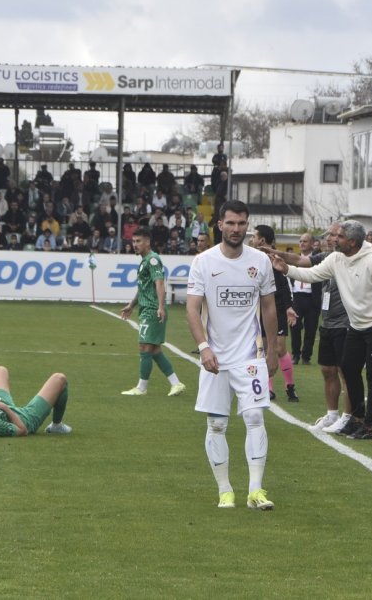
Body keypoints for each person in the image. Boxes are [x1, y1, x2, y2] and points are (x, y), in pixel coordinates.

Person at [270, 220, 372, 440]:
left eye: (339, 236)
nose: (334, 239)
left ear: (352, 241)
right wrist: (286, 269)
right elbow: (313, 274)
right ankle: (356, 419)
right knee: (349, 370)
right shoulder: (336, 258)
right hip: (356, 325)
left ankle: (370, 425)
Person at [186, 200, 278, 510]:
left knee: (255, 416)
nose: (237, 229)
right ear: (220, 225)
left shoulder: (260, 262)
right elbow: (192, 308)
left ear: (247, 225)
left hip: (250, 355)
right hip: (215, 357)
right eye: (231, 223)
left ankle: (256, 490)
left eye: (242, 224)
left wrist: (273, 347)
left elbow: (268, 306)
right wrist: (203, 348)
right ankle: (225, 490)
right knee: (216, 425)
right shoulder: (203, 262)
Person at [119, 227, 185, 397]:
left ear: (147, 242)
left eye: (138, 241)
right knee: (154, 350)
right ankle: (176, 384)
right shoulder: (144, 261)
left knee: (144, 346)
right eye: (133, 242)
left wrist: (161, 307)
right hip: (146, 309)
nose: (135, 245)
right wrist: (131, 305)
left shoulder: (153, 259)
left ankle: (141, 388)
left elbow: (159, 283)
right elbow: (143, 288)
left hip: (152, 310)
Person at [250, 225, 299, 402]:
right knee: (263, 347)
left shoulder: (273, 258)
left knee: (278, 348)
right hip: (258, 309)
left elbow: (284, 285)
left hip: (276, 308)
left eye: (255, 236)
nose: (253, 239)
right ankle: (268, 389)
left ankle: (290, 386)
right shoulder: (251, 257)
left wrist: (288, 307)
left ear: (262, 240)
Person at [289, 233, 322, 364]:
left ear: (312, 243)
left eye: (305, 241)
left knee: (311, 329)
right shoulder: (294, 259)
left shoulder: (318, 260)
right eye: (300, 241)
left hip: (312, 297)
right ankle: (295, 355)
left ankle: (306, 356)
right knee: (295, 327)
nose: (302, 243)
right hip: (297, 296)